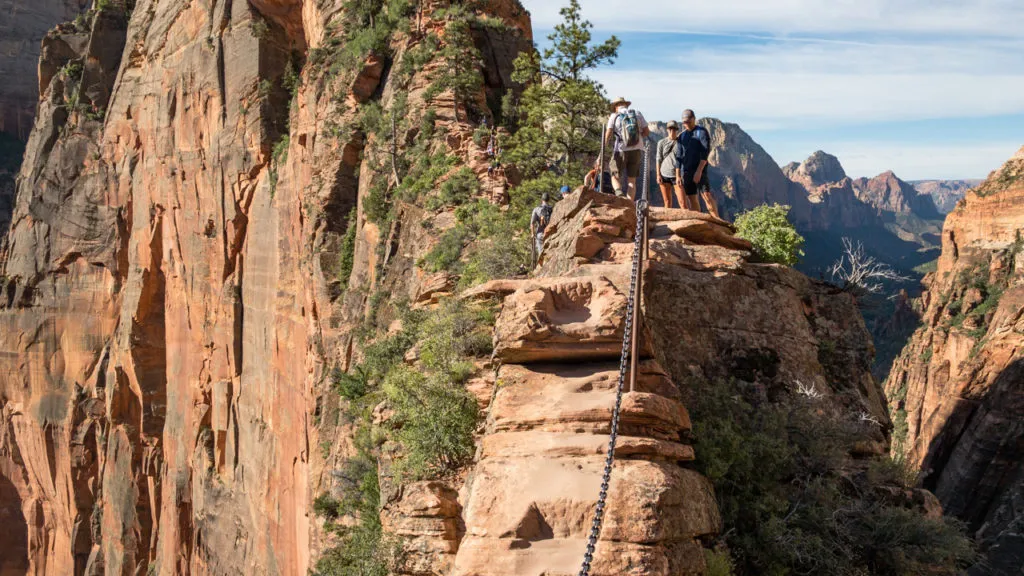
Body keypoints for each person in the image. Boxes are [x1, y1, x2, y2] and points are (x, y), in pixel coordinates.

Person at [674, 109, 720, 218]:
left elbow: (705, 153)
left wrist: (699, 171)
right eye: (684, 122)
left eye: (688, 121)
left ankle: (718, 220)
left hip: (700, 170)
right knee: (692, 198)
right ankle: (699, 220)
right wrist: (678, 176)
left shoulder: (701, 132)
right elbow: (679, 157)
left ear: (694, 119)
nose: (686, 124)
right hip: (686, 171)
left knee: (706, 196)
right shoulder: (682, 136)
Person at [604, 97, 650, 200]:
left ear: (616, 106)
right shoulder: (637, 113)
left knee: (614, 175)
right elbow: (647, 132)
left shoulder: (614, 116)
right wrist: (637, 138)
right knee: (632, 181)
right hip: (637, 150)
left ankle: (619, 195)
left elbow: (608, 134)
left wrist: (603, 148)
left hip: (621, 150)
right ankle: (629, 204)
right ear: (625, 105)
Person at [656, 121, 681, 208]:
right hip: (664, 175)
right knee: (667, 202)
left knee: (682, 202)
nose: (672, 130)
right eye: (670, 128)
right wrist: (658, 175)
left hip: (677, 175)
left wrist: (679, 176)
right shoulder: (661, 142)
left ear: (677, 130)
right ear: (667, 129)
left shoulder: (681, 142)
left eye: (674, 129)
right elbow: (658, 159)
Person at [530, 192, 554, 262]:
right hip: (550, 233)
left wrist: (532, 234)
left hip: (540, 234)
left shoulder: (536, 209)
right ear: (549, 200)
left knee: (541, 253)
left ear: (541, 200)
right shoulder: (552, 209)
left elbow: (532, 223)